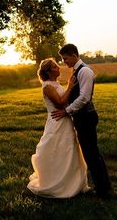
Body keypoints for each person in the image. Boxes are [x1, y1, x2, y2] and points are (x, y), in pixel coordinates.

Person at [51, 44, 112, 198]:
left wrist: (67, 110)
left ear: (73, 55)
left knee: (91, 154)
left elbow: (84, 97)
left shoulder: (84, 71)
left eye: (65, 58)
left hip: (86, 117)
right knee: (91, 153)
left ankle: (103, 190)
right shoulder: (77, 71)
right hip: (81, 117)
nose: (64, 62)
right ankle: (104, 186)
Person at [27, 58, 89, 198]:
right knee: (56, 149)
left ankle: (72, 181)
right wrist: (70, 86)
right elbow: (60, 103)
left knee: (68, 149)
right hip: (56, 122)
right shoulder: (48, 86)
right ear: (48, 72)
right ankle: (56, 182)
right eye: (55, 67)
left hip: (65, 120)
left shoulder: (55, 83)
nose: (59, 68)